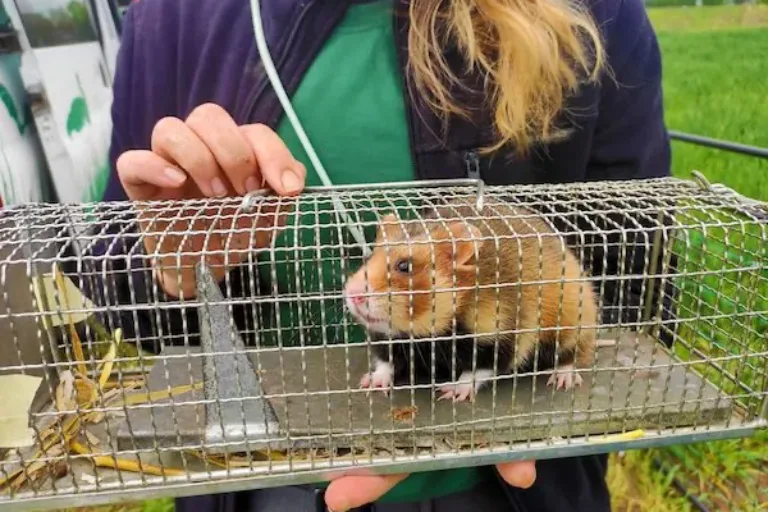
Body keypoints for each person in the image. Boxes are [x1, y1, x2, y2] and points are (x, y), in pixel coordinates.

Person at [102, 0, 671, 510]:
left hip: (513, 485)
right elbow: (124, 293)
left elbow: (632, 276)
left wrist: (533, 409)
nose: (358, 289)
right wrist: (180, 273)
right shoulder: (167, 18)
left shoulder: (600, 13)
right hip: (262, 472)